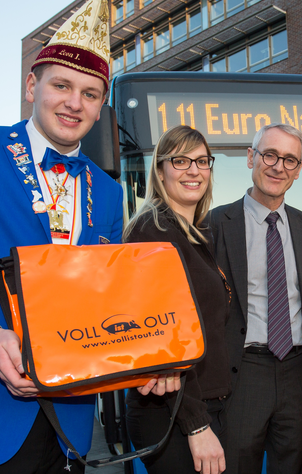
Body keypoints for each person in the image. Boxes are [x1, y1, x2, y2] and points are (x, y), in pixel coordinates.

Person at [0, 1, 179, 471]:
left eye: (90, 92)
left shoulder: (107, 192)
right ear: (30, 86)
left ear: (102, 107)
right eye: (61, 85)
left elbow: (105, 299)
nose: (74, 102)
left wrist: (150, 359)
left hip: (67, 431)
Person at [209, 123, 302, 474]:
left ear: (299, 170)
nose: (278, 167)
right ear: (250, 158)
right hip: (243, 372)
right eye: (270, 155)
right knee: (236, 465)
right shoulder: (213, 224)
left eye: (290, 160)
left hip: (300, 373)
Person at [124, 125, 230, 474]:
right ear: (160, 171)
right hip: (169, 413)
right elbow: (161, 340)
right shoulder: (152, 232)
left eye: (202, 161)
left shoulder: (198, 234)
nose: (194, 170)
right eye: (180, 160)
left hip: (203, 405)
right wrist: (197, 425)